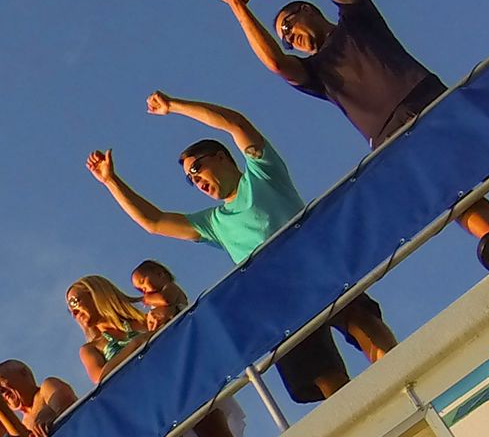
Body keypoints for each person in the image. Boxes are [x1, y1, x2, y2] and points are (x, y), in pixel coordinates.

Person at [207, 0, 489, 270]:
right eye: (284, 37)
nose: (289, 36)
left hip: (427, 99)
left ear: (308, 10)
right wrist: (238, 7)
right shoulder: (316, 74)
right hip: (391, 137)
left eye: (289, 23)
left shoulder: (357, 21)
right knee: (456, 195)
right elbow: (275, 64)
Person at [87, 94, 394, 404]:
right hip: (276, 301)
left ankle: (399, 373)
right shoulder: (214, 222)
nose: (196, 182)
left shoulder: (263, 174)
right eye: (190, 182)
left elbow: (235, 123)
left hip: (314, 266)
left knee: (360, 322)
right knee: (320, 372)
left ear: (220, 157)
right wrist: (111, 181)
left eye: (197, 170)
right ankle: (358, 412)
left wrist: (173, 107)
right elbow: (154, 221)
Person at [67, 274, 247, 437]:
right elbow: (101, 376)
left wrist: (166, 309)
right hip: (148, 408)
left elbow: (174, 293)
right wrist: (137, 344)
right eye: (70, 308)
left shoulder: (143, 317)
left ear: (96, 292)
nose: (73, 310)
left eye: (75, 301)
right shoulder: (92, 348)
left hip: (181, 385)